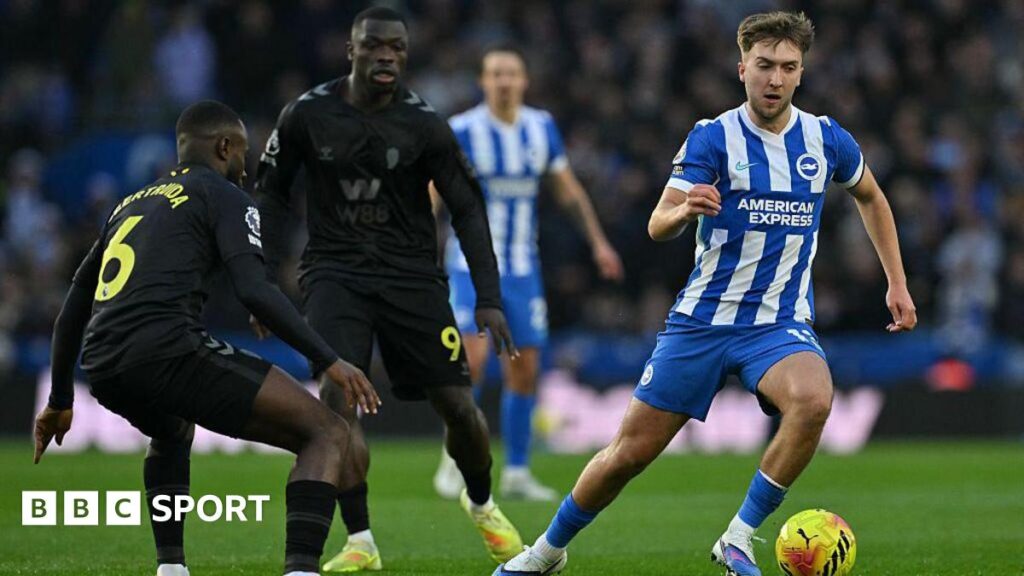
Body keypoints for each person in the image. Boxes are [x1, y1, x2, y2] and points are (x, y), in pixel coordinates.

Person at [495, 11, 917, 576]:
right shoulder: (713, 136)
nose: (775, 79)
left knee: (814, 399)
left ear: (801, 73)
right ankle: (546, 552)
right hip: (701, 322)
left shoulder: (826, 139)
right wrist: (685, 207)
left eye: (788, 68)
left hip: (776, 323)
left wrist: (896, 280)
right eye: (764, 65)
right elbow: (657, 222)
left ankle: (738, 536)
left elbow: (871, 196)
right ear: (741, 67)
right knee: (628, 455)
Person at [33, 100, 381, 576]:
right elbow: (254, 289)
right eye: (242, 151)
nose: (246, 163)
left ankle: (171, 568)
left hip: (105, 363)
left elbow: (73, 307)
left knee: (173, 428)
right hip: (167, 348)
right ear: (224, 147)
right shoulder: (225, 194)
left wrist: (58, 396)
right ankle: (302, 569)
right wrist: (330, 359)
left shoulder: (132, 202)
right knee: (327, 431)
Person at [253, 6, 521, 572]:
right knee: (334, 403)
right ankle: (361, 540)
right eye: (374, 46)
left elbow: (468, 209)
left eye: (397, 48)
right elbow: (271, 194)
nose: (386, 57)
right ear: (351, 50)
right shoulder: (306, 115)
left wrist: (490, 298)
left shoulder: (424, 124)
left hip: (413, 280)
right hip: (334, 274)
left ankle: (480, 501)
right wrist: (258, 274)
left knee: (460, 409)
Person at [432, 44, 624, 503]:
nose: (503, 81)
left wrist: (598, 242)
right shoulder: (462, 131)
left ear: (524, 81)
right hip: (468, 263)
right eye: (495, 73)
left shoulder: (540, 128)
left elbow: (567, 190)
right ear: (483, 81)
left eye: (511, 73)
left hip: (522, 266)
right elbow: (434, 192)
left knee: (525, 369)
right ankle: (454, 459)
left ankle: (517, 471)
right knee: (472, 363)